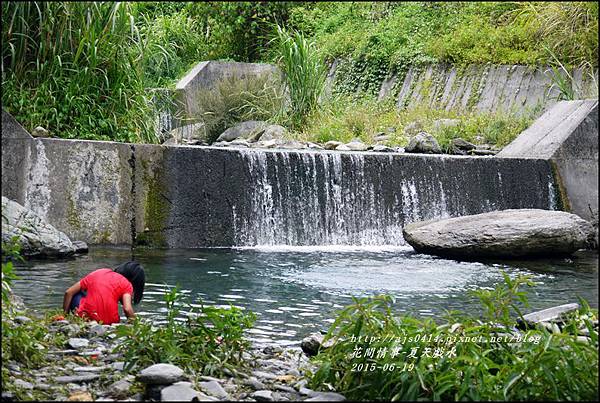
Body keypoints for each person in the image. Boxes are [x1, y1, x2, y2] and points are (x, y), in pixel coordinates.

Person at [62, 261, 145, 325]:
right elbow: (127, 309)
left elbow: (68, 292)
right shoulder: (127, 284)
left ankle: (79, 316)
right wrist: (136, 326)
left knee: (76, 294)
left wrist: (64, 317)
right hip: (111, 323)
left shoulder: (99, 272)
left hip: (87, 317)